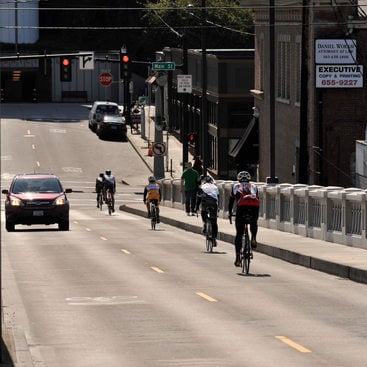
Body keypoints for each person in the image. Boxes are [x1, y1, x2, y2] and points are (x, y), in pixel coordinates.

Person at [228, 171, 260, 267]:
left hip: (241, 208)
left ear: (239, 179)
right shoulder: (254, 186)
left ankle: (238, 257)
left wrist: (230, 213)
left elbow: (231, 201)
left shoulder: (235, 186)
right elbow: (257, 198)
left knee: (239, 234)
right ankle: (253, 237)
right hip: (254, 207)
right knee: (253, 222)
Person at [195, 175, 219, 242]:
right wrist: (218, 208)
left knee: (203, 211)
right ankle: (214, 238)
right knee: (214, 221)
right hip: (214, 203)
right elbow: (218, 198)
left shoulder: (202, 187)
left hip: (205, 202)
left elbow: (199, 199)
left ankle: (205, 223)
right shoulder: (215, 187)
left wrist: (196, 208)